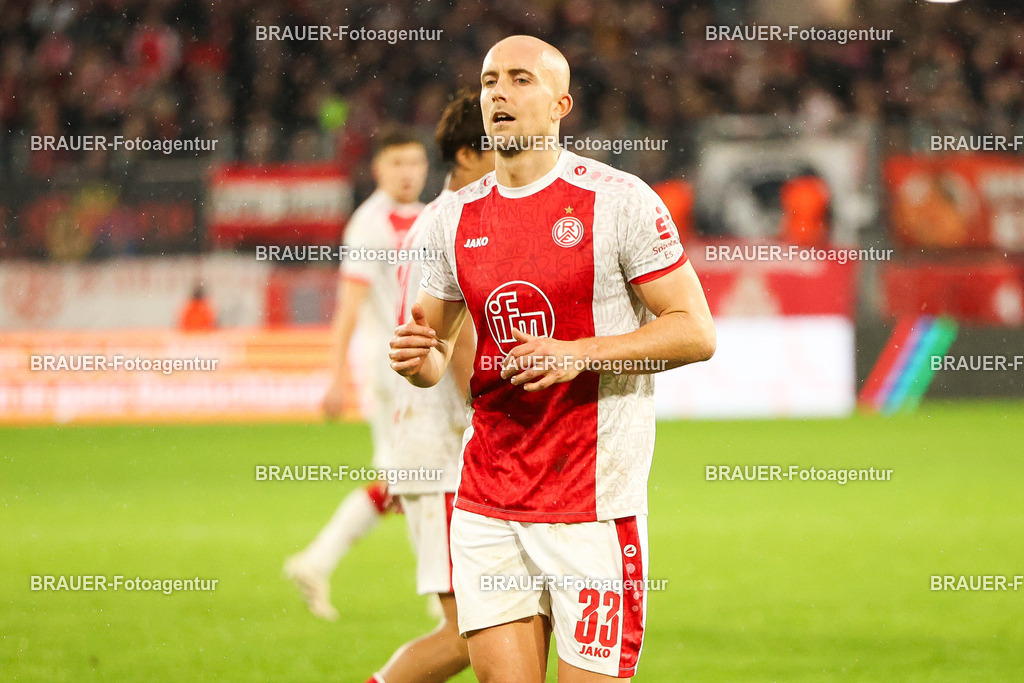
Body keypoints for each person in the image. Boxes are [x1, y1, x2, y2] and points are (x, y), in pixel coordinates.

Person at [389, 36, 715, 681]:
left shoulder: (618, 200)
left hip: (591, 503)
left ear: (561, 104)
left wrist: (579, 354)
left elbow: (695, 331)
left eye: (520, 79)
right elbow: (436, 353)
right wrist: (416, 359)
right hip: (488, 499)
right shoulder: (451, 218)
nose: (499, 93)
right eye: (489, 81)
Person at [365, 88, 494, 683]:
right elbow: (454, 339)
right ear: (467, 154)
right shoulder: (451, 222)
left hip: (445, 448)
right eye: (500, 150)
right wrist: (496, 416)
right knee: (468, 633)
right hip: (442, 451)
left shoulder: (444, 219)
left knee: (502, 622)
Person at [285, 129, 428, 621]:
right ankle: (442, 596)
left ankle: (316, 562)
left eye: (414, 162)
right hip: (390, 371)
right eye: (397, 163)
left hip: (420, 368)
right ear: (378, 170)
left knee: (410, 478)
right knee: (417, 477)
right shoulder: (369, 225)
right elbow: (349, 306)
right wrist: (335, 377)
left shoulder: (428, 215)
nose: (407, 172)